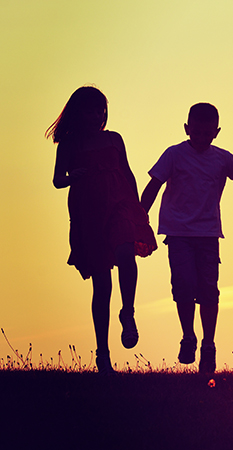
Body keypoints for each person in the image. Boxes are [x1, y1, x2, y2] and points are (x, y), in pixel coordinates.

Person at [140, 103, 233, 374]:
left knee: (208, 290)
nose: (202, 138)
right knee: (183, 285)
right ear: (187, 129)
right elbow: (153, 185)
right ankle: (188, 336)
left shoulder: (222, 159)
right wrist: (138, 217)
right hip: (178, 233)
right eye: (197, 132)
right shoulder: (174, 155)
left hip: (208, 234)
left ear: (216, 132)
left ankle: (208, 344)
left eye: (208, 133)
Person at [48, 86, 157, 375]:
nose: (97, 115)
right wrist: (73, 177)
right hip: (88, 211)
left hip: (119, 203)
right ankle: (103, 354)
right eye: (90, 110)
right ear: (77, 113)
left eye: (100, 110)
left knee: (125, 253)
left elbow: (128, 172)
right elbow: (57, 180)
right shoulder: (69, 145)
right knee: (102, 285)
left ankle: (128, 313)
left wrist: (137, 208)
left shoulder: (114, 139)